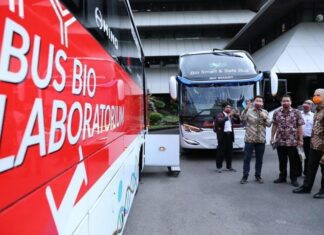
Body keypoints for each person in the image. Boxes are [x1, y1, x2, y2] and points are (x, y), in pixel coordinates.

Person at [293, 89, 324, 198]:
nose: (315, 97)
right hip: (314, 145)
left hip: (322, 147)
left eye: (318, 95)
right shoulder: (318, 111)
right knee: (310, 168)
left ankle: (323, 191)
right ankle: (306, 187)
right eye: (314, 95)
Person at [271, 95, 304, 187]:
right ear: (281, 102)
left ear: (291, 102)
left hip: (292, 141)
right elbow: (274, 125)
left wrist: (300, 140)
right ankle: (282, 176)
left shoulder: (296, 112)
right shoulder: (276, 112)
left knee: (293, 161)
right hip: (280, 141)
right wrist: (272, 137)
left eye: (287, 101)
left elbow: (300, 126)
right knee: (282, 160)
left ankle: (294, 179)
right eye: (284, 101)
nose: (286, 102)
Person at [240, 96, 272, 184]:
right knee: (247, 159)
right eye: (257, 100)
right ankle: (245, 176)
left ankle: (258, 176)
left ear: (262, 103)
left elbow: (269, 124)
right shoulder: (248, 111)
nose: (259, 102)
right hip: (249, 139)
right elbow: (242, 119)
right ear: (254, 102)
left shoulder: (265, 112)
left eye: (260, 101)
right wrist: (246, 109)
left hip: (261, 140)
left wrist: (264, 117)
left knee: (259, 159)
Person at [214, 102, 240, 173]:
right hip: (223, 136)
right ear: (223, 108)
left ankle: (229, 167)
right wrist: (229, 115)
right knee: (221, 152)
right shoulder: (220, 115)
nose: (229, 108)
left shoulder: (231, 116)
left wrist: (237, 115)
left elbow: (238, 122)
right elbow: (220, 122)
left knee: (230, 152)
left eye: (230, 107)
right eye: (227, 107)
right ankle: (219, 167)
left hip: (230, 135)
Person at [301, 100, 314, 176]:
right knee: (299, 156)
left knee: (307, 157)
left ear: (311, 106)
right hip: (299, 139)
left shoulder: (314, 115)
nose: (306, 105)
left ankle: (306, 172)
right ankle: (297, 172)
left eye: (308, 104)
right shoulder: (298, 114)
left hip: (309, 139)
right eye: (305, 103)